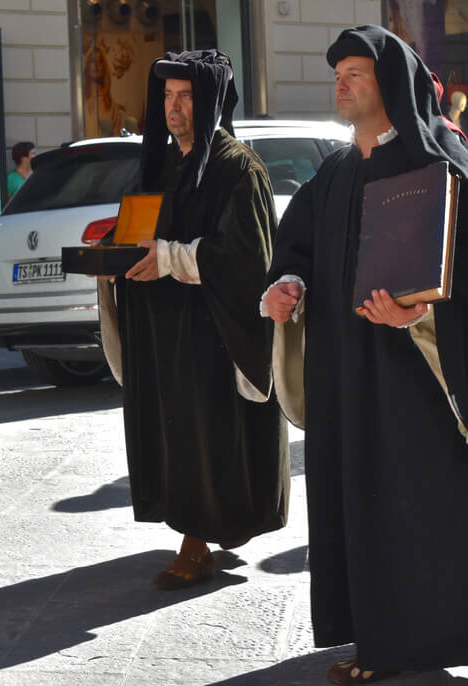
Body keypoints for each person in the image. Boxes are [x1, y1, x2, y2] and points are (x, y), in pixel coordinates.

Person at [262, 26, 468, 683]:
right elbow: (295, 247)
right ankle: (382, 639)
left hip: (429, 383)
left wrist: (420, 314)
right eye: (340, 74)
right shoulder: (333, 173)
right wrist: (286, 285)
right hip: (354, 381)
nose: (342, 83)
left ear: (390, 85)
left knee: (446, 507)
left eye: (355, 73)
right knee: (372, 510)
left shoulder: (444, 166)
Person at [97, 49, 289, 590]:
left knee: (206, 434)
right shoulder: (159, 165)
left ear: (207, 103)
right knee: (175, 433)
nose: (173, 108)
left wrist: (173, 258)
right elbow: (138, 236)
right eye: (166, 96)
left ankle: (198, 540)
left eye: (185, 97)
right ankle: (199, 528)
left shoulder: (238, 168)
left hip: (210, 334)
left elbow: (248, 257)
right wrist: (112, 256)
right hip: (162, 331)